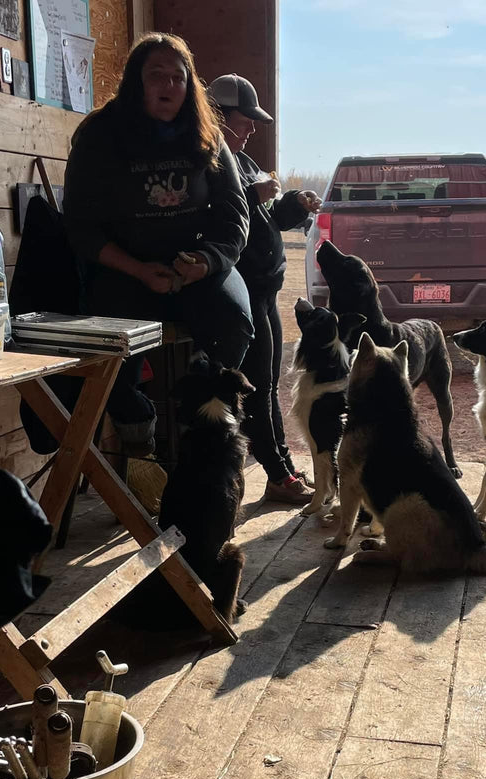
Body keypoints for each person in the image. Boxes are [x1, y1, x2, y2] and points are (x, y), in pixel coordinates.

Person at [64, 34, 254, 455]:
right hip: (124, 270)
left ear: (189, 85)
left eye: (178, 77)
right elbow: (79, 225)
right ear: (136, 81)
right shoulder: (99, 135)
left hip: (195, 266)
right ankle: (137, 434)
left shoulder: (207, 133)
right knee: (106, 345)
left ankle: (208, 435)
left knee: (236, 320)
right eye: (156, 75)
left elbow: (234, 215)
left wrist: (206, 262)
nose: (168, 86)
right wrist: (136, 269)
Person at [208, 74, 322, 504]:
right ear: (220, 117)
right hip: (244, 289)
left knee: (268, 382)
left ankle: (283, 466)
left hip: (266, 289)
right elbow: (211, 215)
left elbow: (270, 217)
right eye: (245, 120)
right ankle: (277, 473)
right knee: (258, 384)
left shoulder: (244, 162)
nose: (252, 129)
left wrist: (294, 204)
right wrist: (253, 196)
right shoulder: (208, 163)